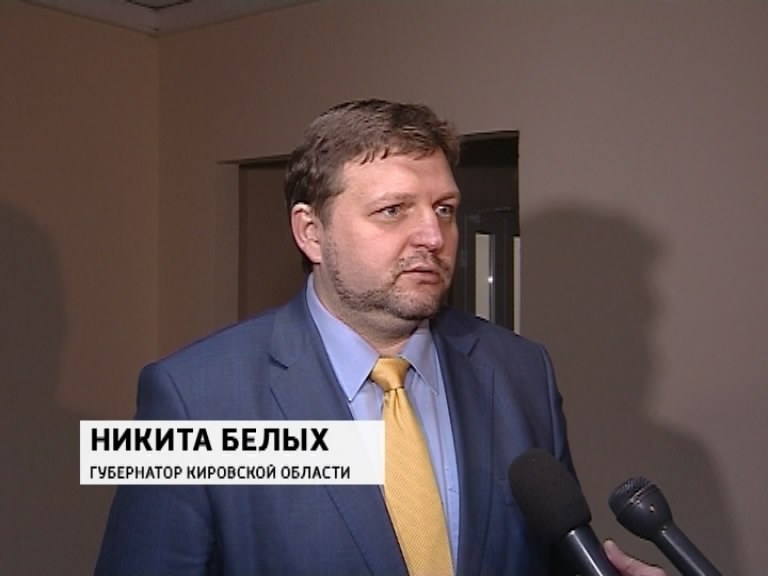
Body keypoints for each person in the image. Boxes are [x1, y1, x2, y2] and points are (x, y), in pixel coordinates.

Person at [96, 99, 665, 576]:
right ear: (311, 232)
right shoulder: (194, 397)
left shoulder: (521, 372)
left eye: (445, 209)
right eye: (393, 210)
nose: (433, 236)